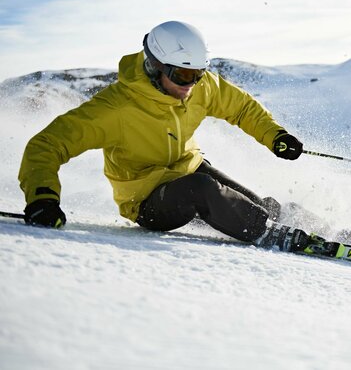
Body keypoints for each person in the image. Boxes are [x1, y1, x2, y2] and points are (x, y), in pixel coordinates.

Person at [18, 21, 325, 254]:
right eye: (182, 76)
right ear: (154, 67)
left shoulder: (199, 87)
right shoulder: (116, 108)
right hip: (147, 199)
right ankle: (278, 236)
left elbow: (242, 108)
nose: (190, 85)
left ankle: (323, 231)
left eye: (197, 74)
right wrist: (43, 197)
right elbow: (47, 145)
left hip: (188, 168)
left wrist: (276, 136)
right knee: (204, 191)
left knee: (253, 207)